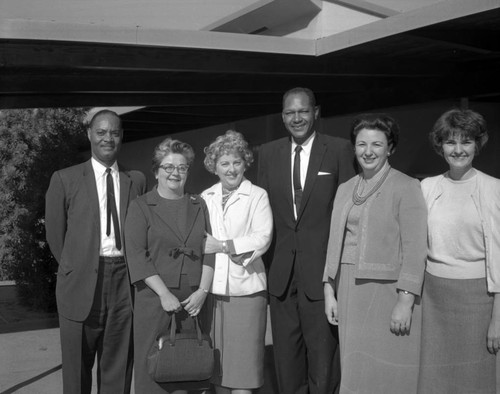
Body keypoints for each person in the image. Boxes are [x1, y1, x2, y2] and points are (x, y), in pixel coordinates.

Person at [257, 87, 355, 394]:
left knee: (324, 359)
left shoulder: (339, 149)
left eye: (302, 111)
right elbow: (261, 211)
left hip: (323, 274)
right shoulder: (268, 153)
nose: (296, 118)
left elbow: (347, 211)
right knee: (286, 360)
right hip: (281, 274)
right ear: (282, 116)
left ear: (316, 112)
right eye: (289, 112)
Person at [323, 113, 427, 393]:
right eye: (361, 144)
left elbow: (416, 248)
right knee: (355, 369)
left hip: (387, 293)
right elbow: (335, 242)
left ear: (390, 147)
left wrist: (405, 300)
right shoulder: (346, 188)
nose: (368, 151)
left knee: (387, 369)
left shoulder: (407, 187)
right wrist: (329, 289)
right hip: (348, 289)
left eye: (377, 144)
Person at [45, 109, 146, 393]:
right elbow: (56, 236)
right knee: (76, 374)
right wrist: (76, 266)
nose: (107, 138)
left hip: (124, 283)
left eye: (114, 132)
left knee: (118, 368)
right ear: (89, 134)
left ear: (122, 136)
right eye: (101, 132)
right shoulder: (64, 179)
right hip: (81, 283)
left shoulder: (135, 180)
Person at [418, 108, 500, 394]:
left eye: (466, 141)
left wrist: (497, 319)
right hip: (433, 298)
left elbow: (499, 258)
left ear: (478, 144)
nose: (458, 149)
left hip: (478, 300)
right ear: (440, 146)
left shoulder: (493, 189)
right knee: (434, 378)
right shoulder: (427, 187)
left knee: (475, 379)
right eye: (450, 142)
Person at [124, 138, 215, 394]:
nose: (175, 172)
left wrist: (203, 292)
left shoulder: (199, 204)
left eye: (182, 167)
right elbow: (136, 254)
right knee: (152, 372)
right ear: (156, 171)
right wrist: (164, 294)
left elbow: (209, 249)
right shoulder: (141, 206)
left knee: (188, 371)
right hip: (154, 300)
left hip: (193, 302)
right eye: (168, 167)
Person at [201, 130, 273, 394]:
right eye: (224, 163)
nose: (231, 169)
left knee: (243, 372)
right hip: (213, 293)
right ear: (214, 167)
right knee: (218, 373)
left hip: (246, 291)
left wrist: (223, 246)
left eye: (236, 162)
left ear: (245, 163)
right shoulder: (204, 197)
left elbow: (262, 237)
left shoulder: (257, 195)